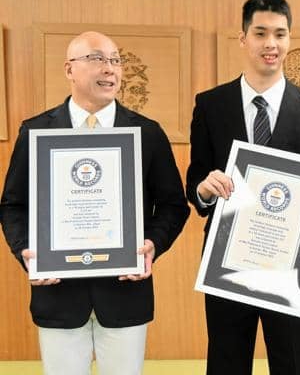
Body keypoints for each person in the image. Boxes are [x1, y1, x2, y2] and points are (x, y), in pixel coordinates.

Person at [0, 31, 190, 375]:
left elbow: (173, 205)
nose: (110, 69)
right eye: (97, 59)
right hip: (58, 294)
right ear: (69, 69)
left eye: (116, 61)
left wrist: (152, 244)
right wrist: (26, 250)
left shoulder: (146, 133)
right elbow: (12, 205)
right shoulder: (37, 131)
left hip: (124, 292)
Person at [185, 0, 300, 375]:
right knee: (226, 364)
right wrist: (204, 190)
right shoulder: (211, 105)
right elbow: (196, 177)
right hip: (227, 261)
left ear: (289, 39)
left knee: (294, 365)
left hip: (291, 265)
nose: (270, 44)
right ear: (243, 38)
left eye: (279, 34)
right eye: (260, 33)